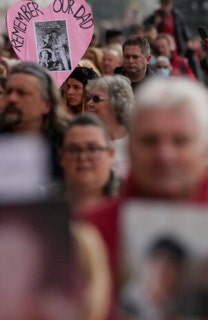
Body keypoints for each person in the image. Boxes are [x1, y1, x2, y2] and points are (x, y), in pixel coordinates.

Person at [84, 77, 208, 307]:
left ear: (204, 149)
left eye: (180, 141)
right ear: (130, 147)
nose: (164, 155)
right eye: (150, 141)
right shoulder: (89, 236)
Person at [0, 62, 72, 178]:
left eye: (22, 93)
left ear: (47, 105)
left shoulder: (67, 150)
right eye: (9, 92)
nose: (12, 99)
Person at [56, 113, 120, 213]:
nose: (82, 157)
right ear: (62, 157)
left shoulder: (128, 207)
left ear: (110, 155)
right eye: (74, 150)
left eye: (93, 149)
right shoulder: (42, 207)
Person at [85, 75, 134, 178]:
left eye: (96, 99)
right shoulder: (86, 140)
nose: (89, 103)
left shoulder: (136, 143)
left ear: (117, 102)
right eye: (89, 98)